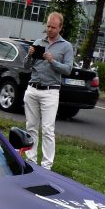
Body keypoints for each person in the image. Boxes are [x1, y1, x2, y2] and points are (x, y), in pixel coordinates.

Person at [23, 12, 74, 169]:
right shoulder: (39, 42)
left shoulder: (66, 46)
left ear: (60, 27)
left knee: (47, 129)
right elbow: (26, 66)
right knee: (31, 126)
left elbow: (68, 69)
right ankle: (30, 160)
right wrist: (29, 56)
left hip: (50, 91)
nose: (50, 29)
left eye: (53, 27)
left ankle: (46, 166)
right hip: (33, 88)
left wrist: (53, 62)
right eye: (48, 26)